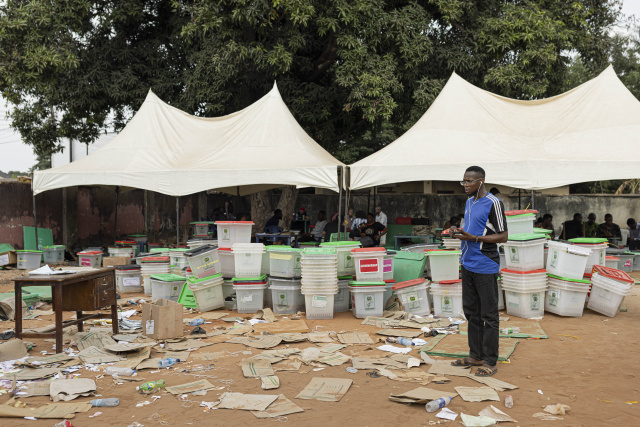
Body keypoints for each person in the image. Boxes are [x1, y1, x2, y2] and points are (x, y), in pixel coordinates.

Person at [449, 166, 507, 377]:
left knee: (489, 314)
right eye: (463, 181)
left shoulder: (494, 203)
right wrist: (458, 231)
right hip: (467, 263)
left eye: (469, 182)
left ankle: (490, 361)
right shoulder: (469, 202)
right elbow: (472, 229)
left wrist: (474, 239)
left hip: (485, 264)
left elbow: (503, 236)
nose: (465, 185)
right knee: (471, 311)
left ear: (480, 181)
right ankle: (476, 355)